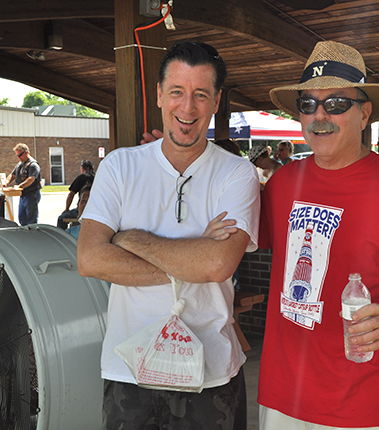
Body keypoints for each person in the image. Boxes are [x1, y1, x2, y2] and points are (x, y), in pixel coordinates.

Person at [257, 40, 379, 429]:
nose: (320, 115)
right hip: (283, 399)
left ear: (365, 113)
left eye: (336, 104)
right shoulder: (281, 184)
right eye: (308, 104)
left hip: (366, 406)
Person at [76, 41, 260, 430]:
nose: (187, 108)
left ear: (216, 101)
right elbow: (90, 259)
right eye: (177, 91)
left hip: (210, 373)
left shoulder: (236, 172)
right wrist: (192, 256)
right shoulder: (120, 166)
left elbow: (218, 263)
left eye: (200, 95)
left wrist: (127, 239)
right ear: (158, 94)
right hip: (130, 370)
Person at [4, 143, 42, 225]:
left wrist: (19, 186)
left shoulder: (33, 165)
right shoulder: (20, 165)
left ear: (26, 152)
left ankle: (32, 234)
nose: (19, 157)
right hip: (23, 194)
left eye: (20, 155)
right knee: (22, 217)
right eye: (17, 155)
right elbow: (12, 175)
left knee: (31, 218)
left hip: (32, 194)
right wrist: (5, 183)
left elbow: (31, 179)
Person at [57, 159, 96, 229]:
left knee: (61, 219)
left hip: (82, 209)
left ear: (82, 168)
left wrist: (66, 209)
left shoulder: (81, 178)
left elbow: (71, 195)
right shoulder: (96, 178)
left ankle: (63, 238)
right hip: (95, 209)